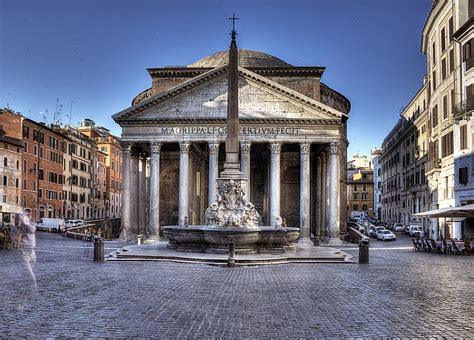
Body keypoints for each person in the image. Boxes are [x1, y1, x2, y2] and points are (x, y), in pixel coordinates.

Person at [20, 211, 37, 287]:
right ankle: (32, 286)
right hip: (26, 251)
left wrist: (24, 221)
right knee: (28, 272)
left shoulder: (31, 225)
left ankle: (32, 286)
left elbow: (31, 230)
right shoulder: (22, 226)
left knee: (29, 272)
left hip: (30, 252)